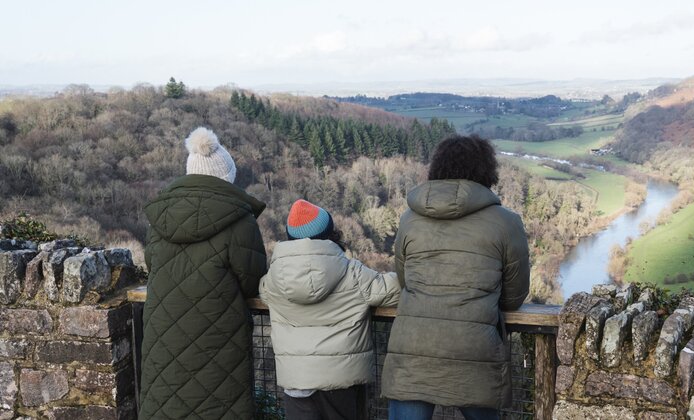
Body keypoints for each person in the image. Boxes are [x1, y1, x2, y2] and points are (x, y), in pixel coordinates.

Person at [381, 135, 531, 420]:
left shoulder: (409, 219)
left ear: (438, 169)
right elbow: (514, 297)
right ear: (487, 171)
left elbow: (404, 281)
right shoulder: (506, 222)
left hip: (413, 347)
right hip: (475, 350)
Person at [140, 127, 267, 419]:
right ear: (226, 177)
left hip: (163, 334)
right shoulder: (239, 220)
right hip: (218, 338)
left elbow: (152, 266)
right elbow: (252, 281)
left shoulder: (160, 217)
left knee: (166, 405)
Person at [259, 199, 400, 420]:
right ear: (329, 233)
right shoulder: (353, 274)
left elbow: (262, 293)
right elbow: (394, 289)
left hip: (297, 381)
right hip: (342, 381)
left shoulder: (273, 282)